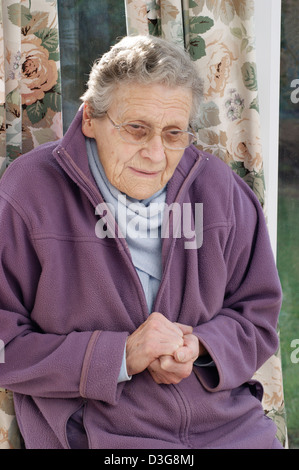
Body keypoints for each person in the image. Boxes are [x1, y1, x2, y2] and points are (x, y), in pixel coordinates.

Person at [0, 35, 283, 449]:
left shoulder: (220, 190)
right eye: (137, 129)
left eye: (173, 133)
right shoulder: (28, 193)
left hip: (229, 428)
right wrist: (118, 357)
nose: (155, 154)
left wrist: (199, 346)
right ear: (90, 120)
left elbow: (257, 317)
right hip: (101, 433)